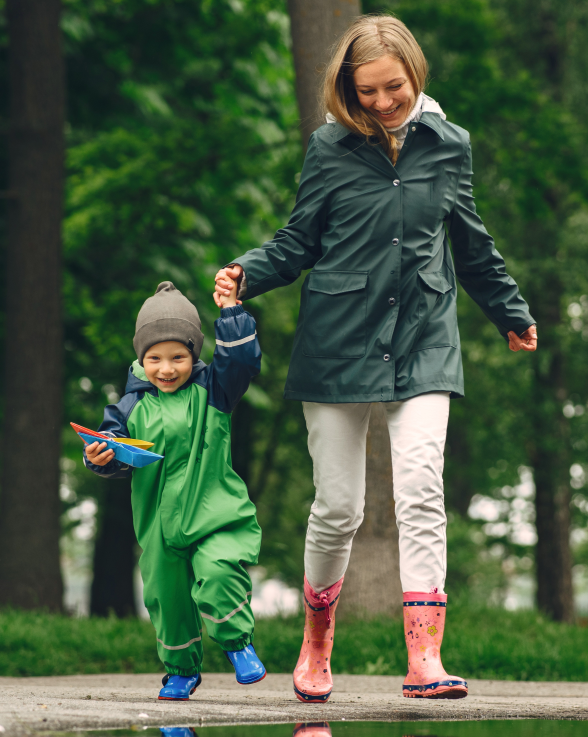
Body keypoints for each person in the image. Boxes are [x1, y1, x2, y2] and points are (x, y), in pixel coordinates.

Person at [215, 15, 537, 702]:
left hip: (425, 336)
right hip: (337, 340)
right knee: (338, 507)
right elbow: (297, 242)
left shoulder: (451, 146)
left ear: (414, 73)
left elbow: (470, 240)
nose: (384, 102)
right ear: (348, 90)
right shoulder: (330, 149)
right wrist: (245, 272)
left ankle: (425, 656)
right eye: (368, 92)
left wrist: (510, 311)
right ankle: (317, 636)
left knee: (422, 488)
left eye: (394, 86)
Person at [83, 280, 265, 701]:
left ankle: (238, 645)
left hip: (215, 515)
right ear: (140, 357)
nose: (166, 369)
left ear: (194, 355)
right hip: (159, 526)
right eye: (155, 358)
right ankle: (181, 670)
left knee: (219, 573)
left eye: (178, 357)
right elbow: (113, 451)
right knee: (167, 598)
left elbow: (240, 361)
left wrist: (232, 311)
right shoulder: (128, 408)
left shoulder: (213, 390)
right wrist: (100, 457)